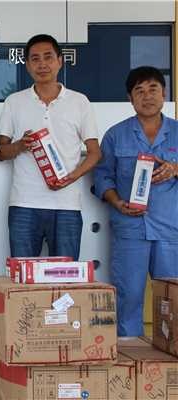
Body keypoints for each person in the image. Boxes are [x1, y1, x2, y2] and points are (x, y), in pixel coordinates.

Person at [0, 34, 101, 260]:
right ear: (27, 65)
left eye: (48, 57)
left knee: (65, 275)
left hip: (66, 205)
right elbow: (0, 152)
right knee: (22, 274)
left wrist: (71, 177)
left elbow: (94, 153)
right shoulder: (14, 101)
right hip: (24, 203)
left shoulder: (79, 101)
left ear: (60, 61)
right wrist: (20, 146)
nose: (42, 64)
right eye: (35, 59)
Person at [94, 66, 178, 338]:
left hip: (170, 231)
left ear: (164, 93)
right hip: (130, 229)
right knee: (128, 297)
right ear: (130, 99)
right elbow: (102, 176)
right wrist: (117, 202)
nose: (147, 96)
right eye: (139, 91)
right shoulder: (115, 135)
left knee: (172, 299)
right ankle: (131, 355)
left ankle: (172, 354)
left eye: (153, 89)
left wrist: (175, 168)